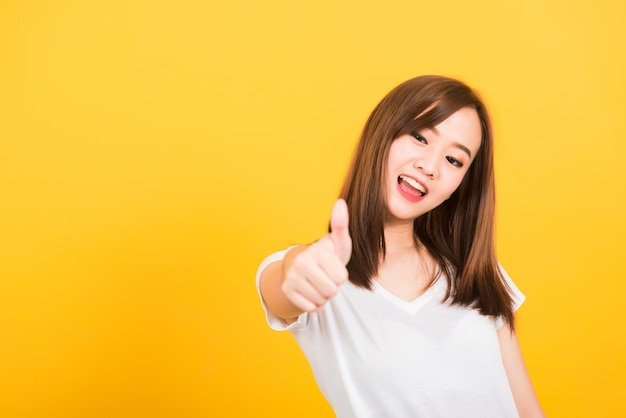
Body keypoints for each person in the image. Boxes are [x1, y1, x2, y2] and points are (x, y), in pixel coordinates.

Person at [256, 75, 544, 417]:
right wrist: (297, 269)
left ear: (462, 185)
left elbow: (527, 409)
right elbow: (284, 284)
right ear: (383, 134)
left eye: (454, 160)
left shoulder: (474, 272)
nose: (430, 166)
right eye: (420, 137)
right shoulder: (321, 273)